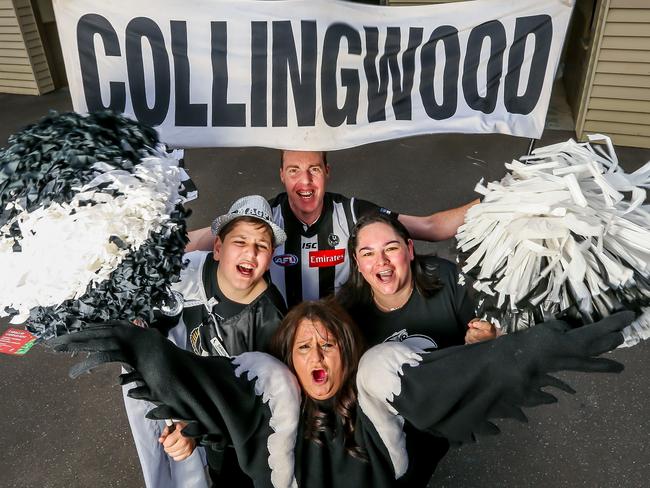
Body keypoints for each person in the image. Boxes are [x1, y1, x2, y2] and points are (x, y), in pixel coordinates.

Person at [54, 303, 634, 488]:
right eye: (303, 348)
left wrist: (539, 343)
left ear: (345, 354)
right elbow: (213, 394)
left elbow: (463, 380)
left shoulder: (387, 400)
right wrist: (190, 429)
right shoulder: (267, 406)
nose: (316, 359)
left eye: (328, 345)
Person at [123, 195, 287, 487]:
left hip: (246, 443)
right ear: (218, 248)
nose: (250, 253)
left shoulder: (270, 319)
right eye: (240, 242)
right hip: (204, 418)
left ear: (270, 257)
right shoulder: (192, 272)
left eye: (261, 246)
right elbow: (157, 307)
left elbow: (254, 407)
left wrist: (195, 429)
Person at [187, 150, 478, 307]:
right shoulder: (265, 218)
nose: (305, 181)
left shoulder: (352, 212)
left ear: (327, 171)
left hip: (342, 339)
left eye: (314, 169)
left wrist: (503, 196)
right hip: (275, 338)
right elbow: (199, 240)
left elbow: (432, 226)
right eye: (293, 170)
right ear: (282, 175)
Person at [338, 213, 496, 348]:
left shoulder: (449, 278)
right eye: (368, 254)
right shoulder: (346, 312)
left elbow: (491, 341)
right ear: (357, 262)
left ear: (410, 249)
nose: (381, 261)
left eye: (391, 248)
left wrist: (484, 336)